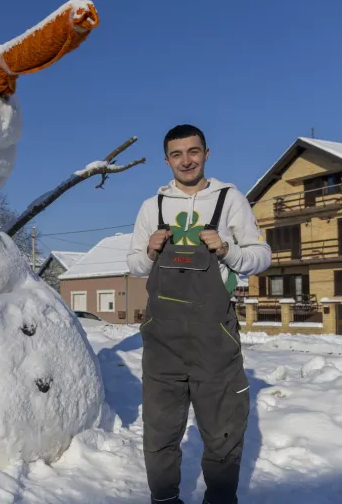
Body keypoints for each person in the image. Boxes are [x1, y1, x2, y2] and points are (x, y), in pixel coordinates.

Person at [126, 124, 272, 504]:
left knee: (222, 426)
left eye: (193, 151)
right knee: (160, 429)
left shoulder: (229, 199)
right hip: (162, 339)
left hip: (214, 336)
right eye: (177, 154)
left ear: (207, 154)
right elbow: (135, 266)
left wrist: (227, 250)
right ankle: (164, 499)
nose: (186, 160)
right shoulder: (152, 207)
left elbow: (262, 256)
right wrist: (149, 252)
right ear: (167, 160)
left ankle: (220, 498)